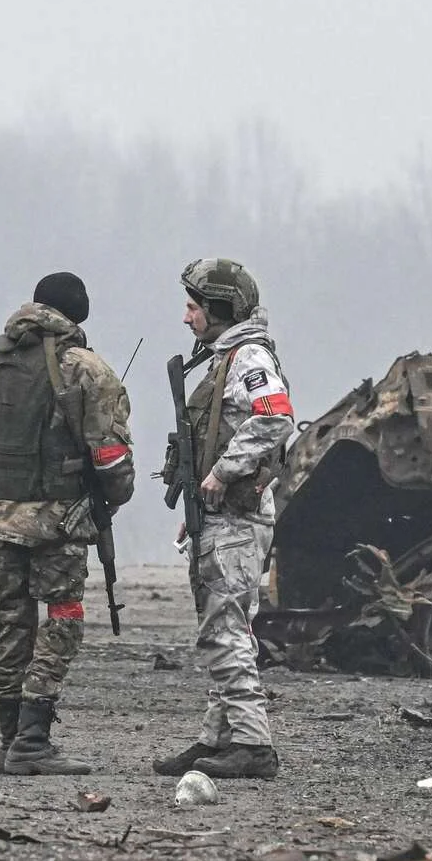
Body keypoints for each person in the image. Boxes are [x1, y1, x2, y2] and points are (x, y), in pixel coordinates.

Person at [0, 272, 134, 776]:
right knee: (63, 619)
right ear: (80, 314)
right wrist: (112, 498)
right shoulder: (87, 369)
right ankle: (33, 740)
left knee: (9, 625)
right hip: (59, 523)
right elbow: (112, 456)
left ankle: (10, 739)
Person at [152, 258, 292, 781]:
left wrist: (222, 473)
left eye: (193, 307)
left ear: (219, 308)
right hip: (223, 518)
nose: (187, 318)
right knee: (225, 626)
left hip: (236, 518)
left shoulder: (248, 356)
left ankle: (254, 743)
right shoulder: (226, 357)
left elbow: (275, 415)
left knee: (224, 629)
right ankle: (220, 737)